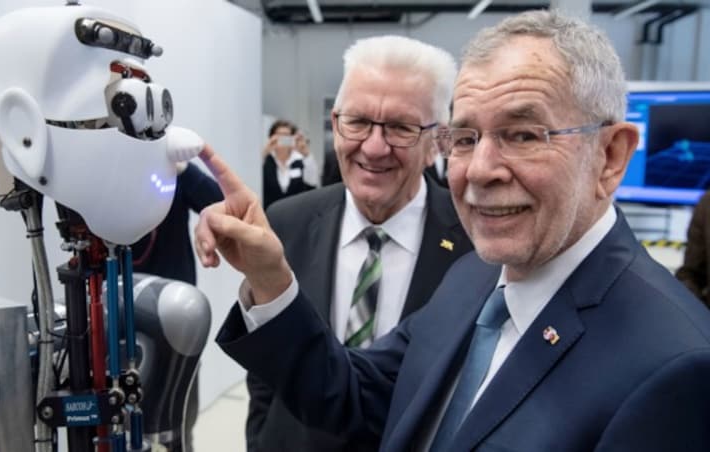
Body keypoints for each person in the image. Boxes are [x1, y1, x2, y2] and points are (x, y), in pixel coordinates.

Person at [196, 10, 710, 452]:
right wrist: (269, 276)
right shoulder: (477, 278)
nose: (480, 169)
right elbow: (353, 395)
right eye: (466, 136)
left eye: (523, 134)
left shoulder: (676, 369)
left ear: (611, 156)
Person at [246, 35, 472, 452]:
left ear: (437, 143)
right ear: (335, 124)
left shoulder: (474, 243)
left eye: (401, 128)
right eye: (358, 122)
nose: (373, 146)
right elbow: (267, 371)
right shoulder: (287, 221)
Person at [131, 160, 223, 452]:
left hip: (176, 320)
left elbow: (217, 202)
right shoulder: (111, 177)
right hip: (121, 311)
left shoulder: (171, 172)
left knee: (179, 417)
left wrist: (183, 167)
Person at [262, 119, 319, 209]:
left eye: (286, 135)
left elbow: (312, 183)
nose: (283, 138)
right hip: (270, 214)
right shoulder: (266, 160)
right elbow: (253, 179)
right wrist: (265, 151)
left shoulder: (299, 160)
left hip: (296, 213)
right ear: (272, 137)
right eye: (279, 135)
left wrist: (306, 153)